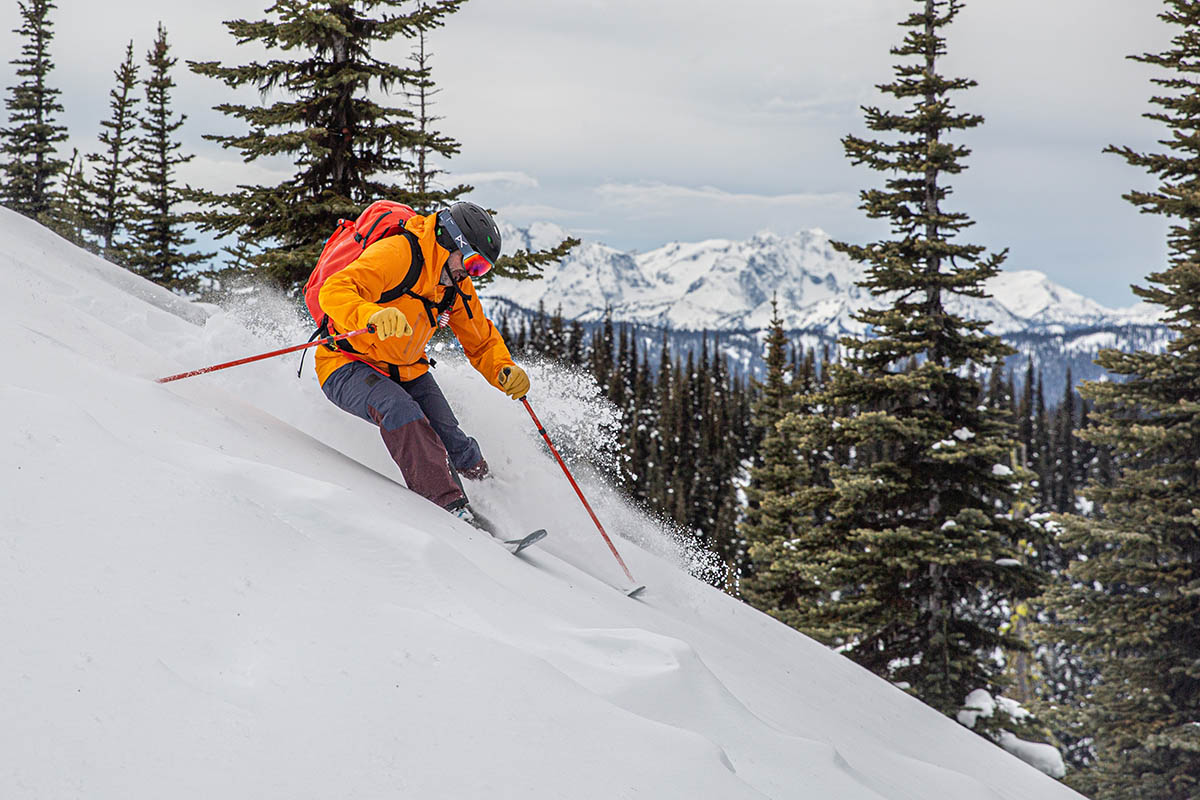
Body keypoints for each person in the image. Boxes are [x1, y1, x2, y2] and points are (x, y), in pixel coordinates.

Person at [314, 201, 530, 524]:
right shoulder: (399, 254)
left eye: (480, 270)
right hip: (345, 362)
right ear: (451, 241)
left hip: (403, 366)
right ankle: (450, 510)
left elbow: (481, 340)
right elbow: (334, 290)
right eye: (473, 265)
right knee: (401, 410)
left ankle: (494, 498)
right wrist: (371, 314)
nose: (470, 275)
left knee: (452, 438)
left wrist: (503, 369)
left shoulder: (454, 286)